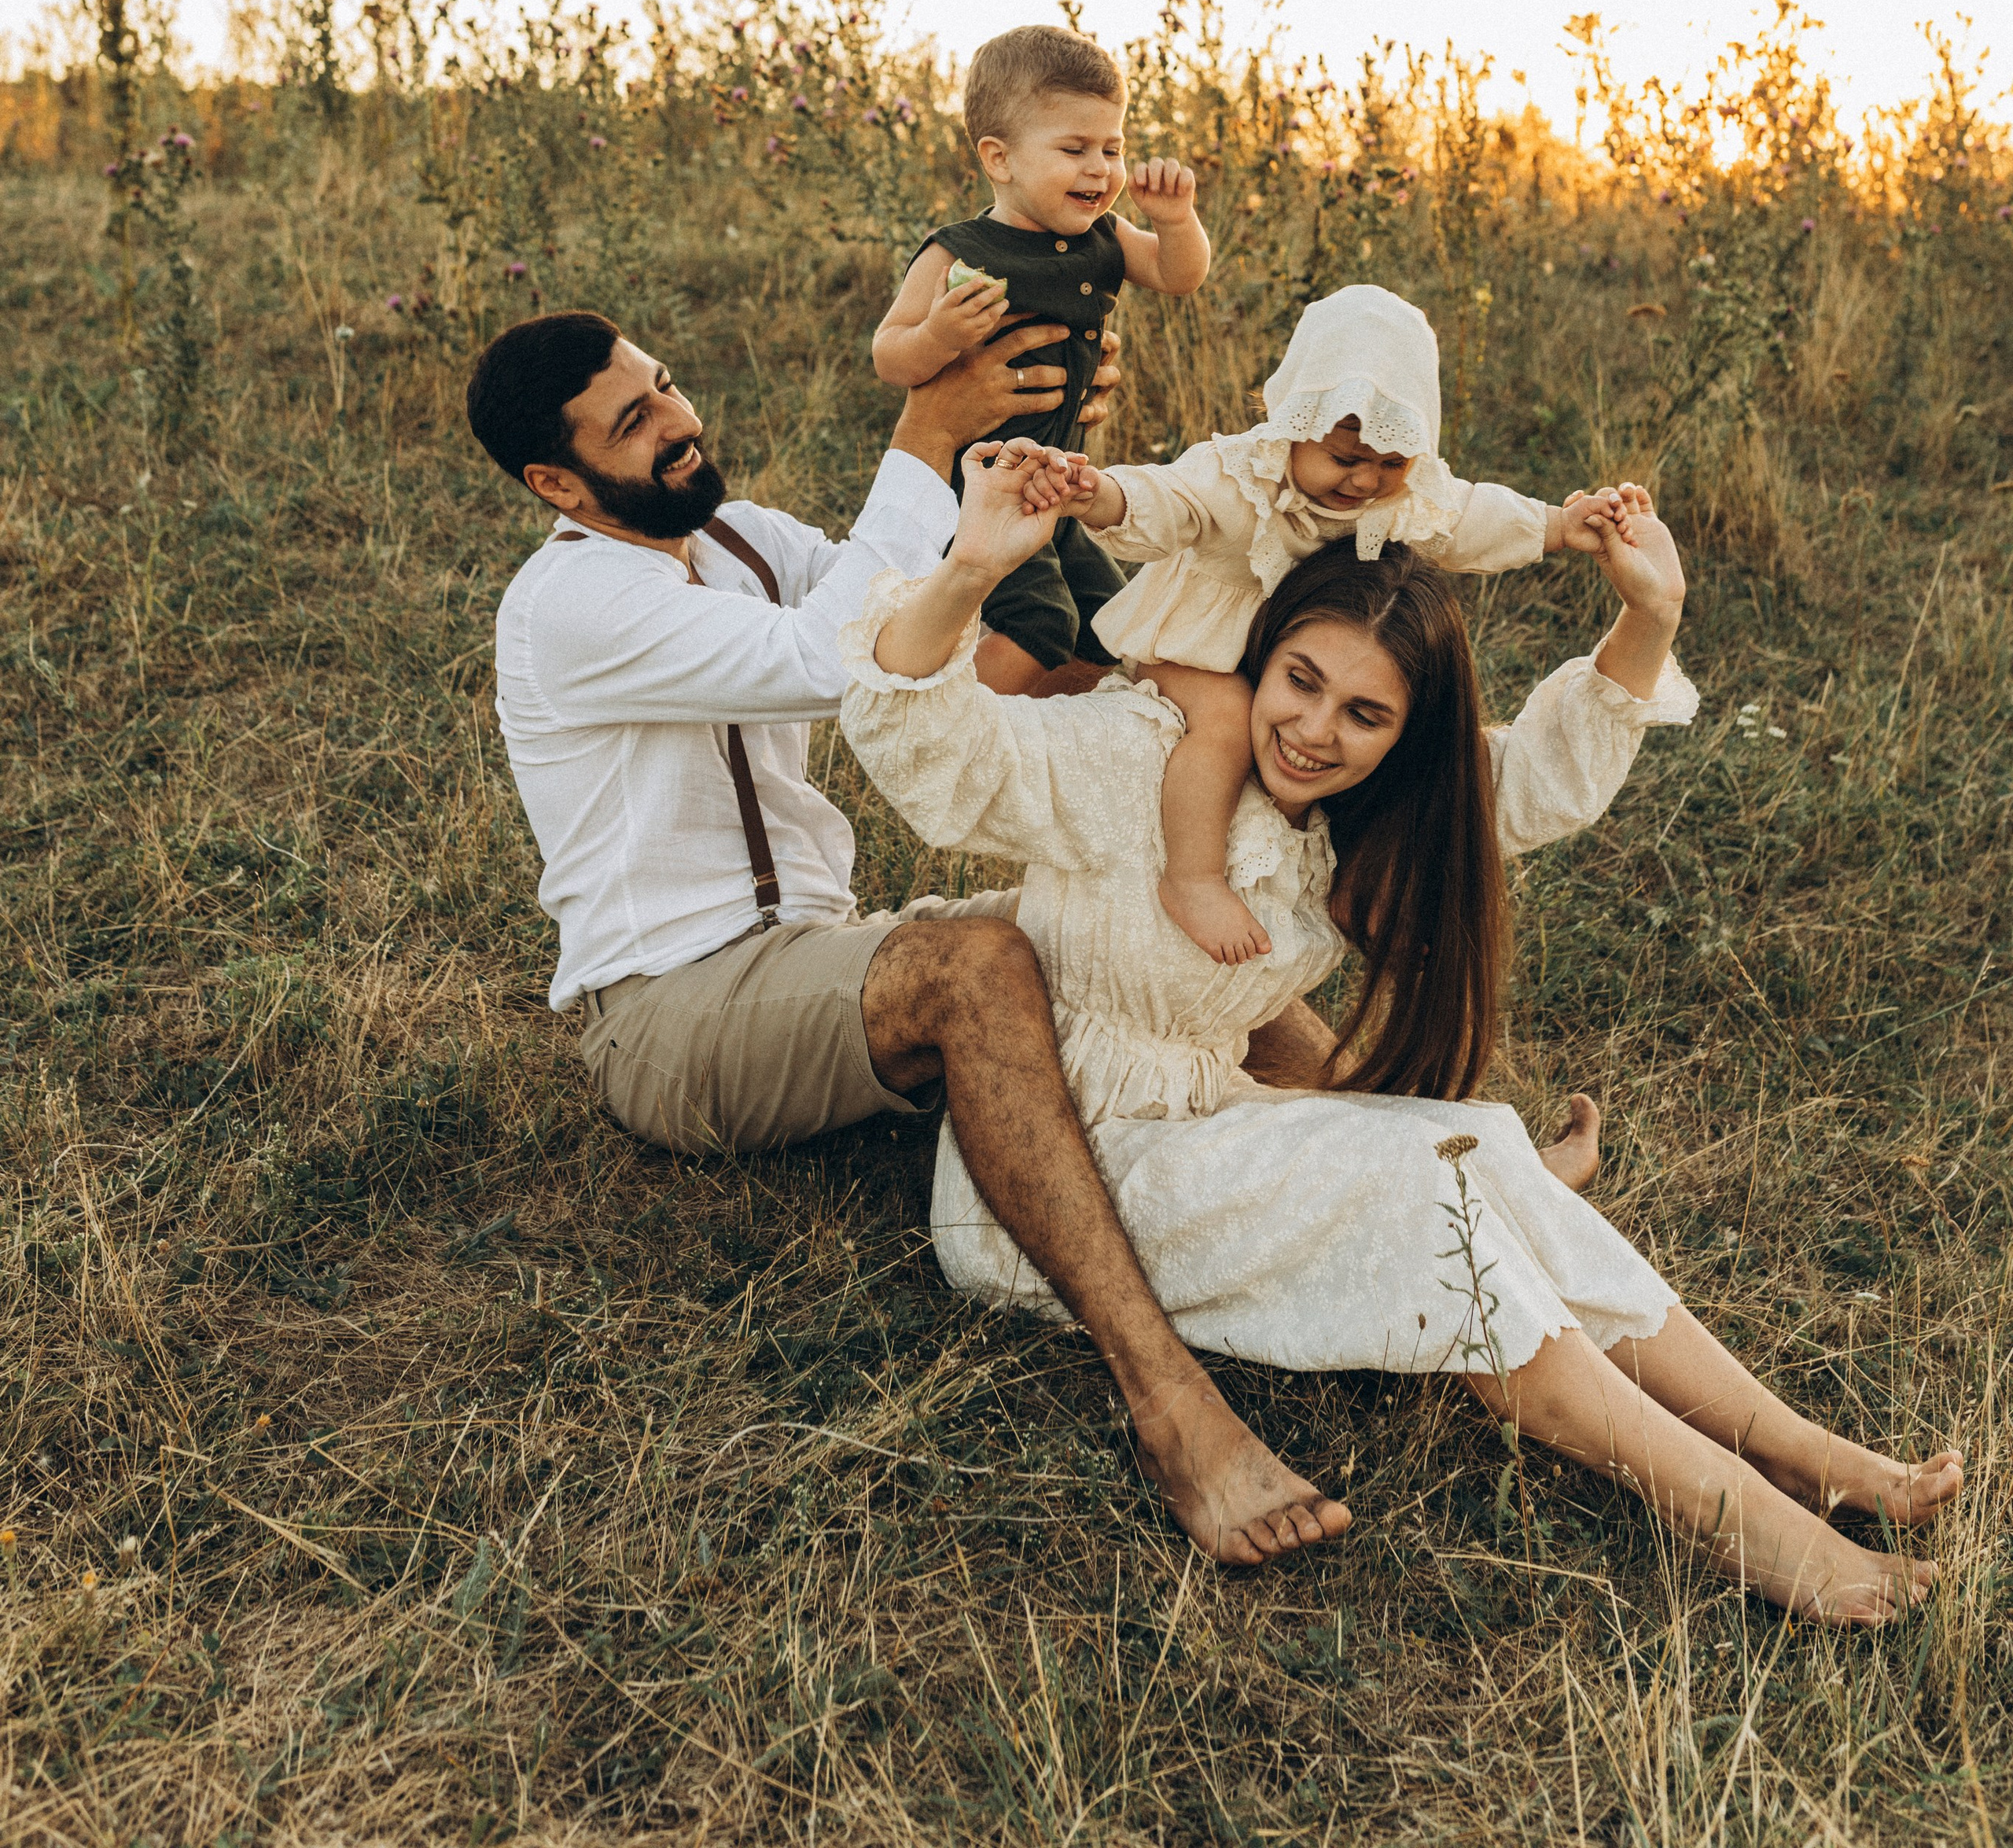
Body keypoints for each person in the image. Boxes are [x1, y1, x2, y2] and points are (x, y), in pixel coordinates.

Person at [840, 444, 1963, 1623]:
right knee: (1422, 1187)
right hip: (1055, 1189)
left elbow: (1533, 783)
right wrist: (968, 573)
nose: (1315, 731)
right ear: (1260, 657)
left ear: (1405, 736)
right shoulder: (1141, 758)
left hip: (1204, 1135)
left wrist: (1653, 611)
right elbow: (938, 754)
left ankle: (1798, 1449)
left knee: (1475, 1147)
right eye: (1300, 681)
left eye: (1365, 713)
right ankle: (1737, 1516)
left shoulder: (1355, 817)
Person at [466, 307, 1352, 1569]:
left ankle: (1419, 1142)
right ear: (556, 482)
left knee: (1140, 900)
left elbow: (926, 629)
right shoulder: (567, 604)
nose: (677, 423)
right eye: (633, 421)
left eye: (663, 387)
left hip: (813, 952)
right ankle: (1173, 1409)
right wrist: (930, 426)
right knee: (976, 967)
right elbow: (843, 654)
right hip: (666, 1015)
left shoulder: (735, 537)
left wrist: (1033, 469)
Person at [1056, 282, 1619, 966]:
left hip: (1300, 670)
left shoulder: (1401, 501)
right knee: (1231, 720)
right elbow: (1168, 500)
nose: (1363, 483)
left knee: (1370, 741)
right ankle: (1193, 877)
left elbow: (1469, 518)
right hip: (1194, 655)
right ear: (1293, 421)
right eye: (1345, 459)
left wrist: (1558, 525)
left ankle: (1359, 882)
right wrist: (1102, 496)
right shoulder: (1241, 479)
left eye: (1390, 462)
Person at [871, 24, 1209, 698]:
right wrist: (939, 333)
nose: (1101, 169)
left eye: (1112, 148)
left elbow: (1179, 276)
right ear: (1000, 159)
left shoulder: (1106, 237)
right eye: (1074, 148)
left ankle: (1027, 734)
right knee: (1038, 619)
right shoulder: (960, 251)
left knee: (1111, 627)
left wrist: (1175, 221)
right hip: (983, 488)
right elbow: (890, 355)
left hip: (1057, 486)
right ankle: (935, 726)